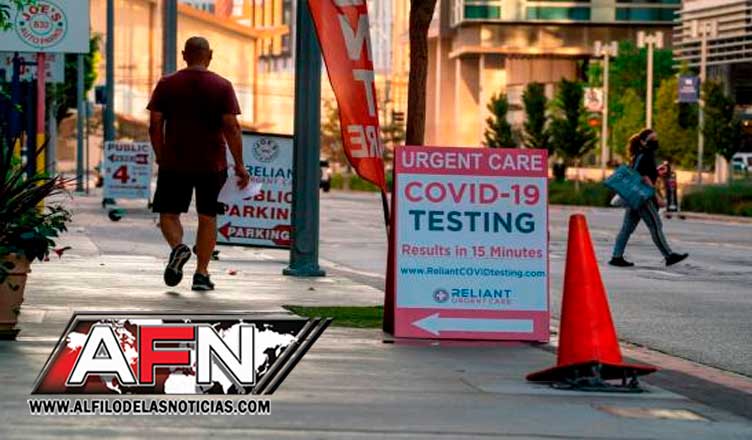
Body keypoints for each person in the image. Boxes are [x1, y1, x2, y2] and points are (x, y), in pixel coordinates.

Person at [147, 36, 250, 291]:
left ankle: (178, 248)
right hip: (212, 163)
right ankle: (201, 274)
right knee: (208, 217)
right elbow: (231, 127)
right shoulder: (222, 85)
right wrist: (240, 164)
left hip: (174, 161)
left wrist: (160, 154)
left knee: (168, 214)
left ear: (184, 55)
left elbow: (155, 124)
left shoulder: (167, 84)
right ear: (210, 55)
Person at [609, 128, 688, 267]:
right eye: (652, 139)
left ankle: (616, 256)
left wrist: (657, 172)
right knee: (655, 225)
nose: (655, 141)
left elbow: (641, 173)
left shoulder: (639, 155)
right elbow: (645, 178)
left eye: (656, 138)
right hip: (643, 197)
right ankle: (669, 255)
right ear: (642, 141)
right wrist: (656, 196)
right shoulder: (646, 155)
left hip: (634, 196)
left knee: (627, 228)